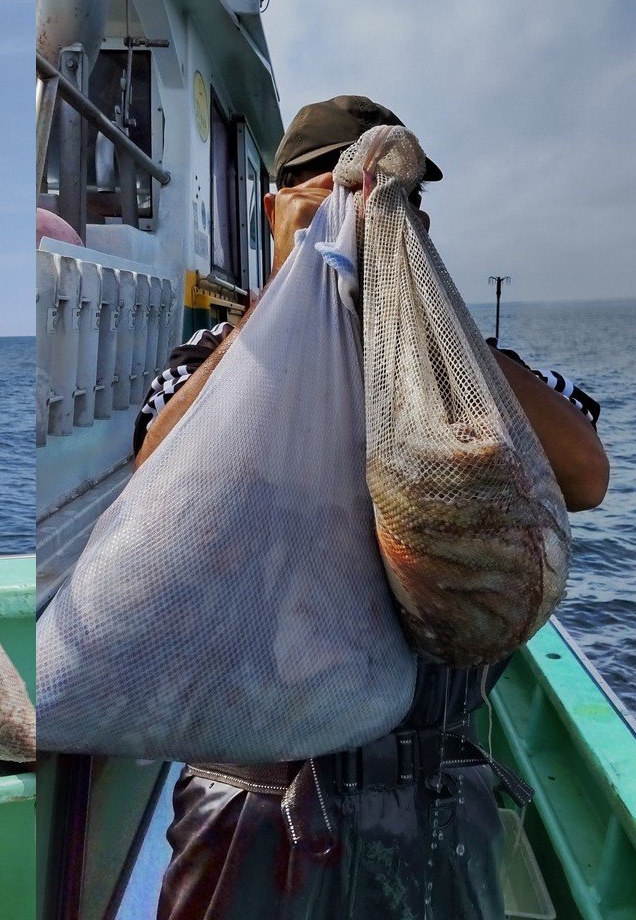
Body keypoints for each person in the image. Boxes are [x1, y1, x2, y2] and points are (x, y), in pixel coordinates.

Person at [136, 96, 610, 920]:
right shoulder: (215, 355)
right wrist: (286, 306)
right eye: (330, 200)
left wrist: (437, 312)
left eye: (399, 205)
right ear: (272, 208)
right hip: (255, 795)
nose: (360, 224)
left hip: (435, 792)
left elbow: (585, 476)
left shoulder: (464, 372)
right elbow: (154, 471)